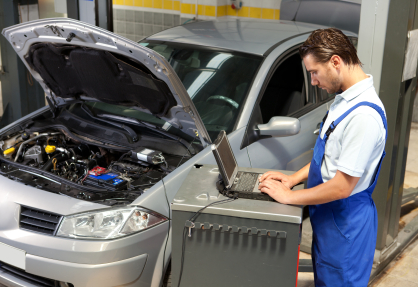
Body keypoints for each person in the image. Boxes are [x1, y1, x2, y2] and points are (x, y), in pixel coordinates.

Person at [258, 28, 387, 286]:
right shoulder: (345, 101)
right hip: (330, 218)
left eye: (314, 72)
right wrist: (292, 178)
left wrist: (290, 197)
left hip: (345, 223)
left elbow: (342, 186)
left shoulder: (363, 117)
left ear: (335, 62)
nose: (314, 81)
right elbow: (327, 158)